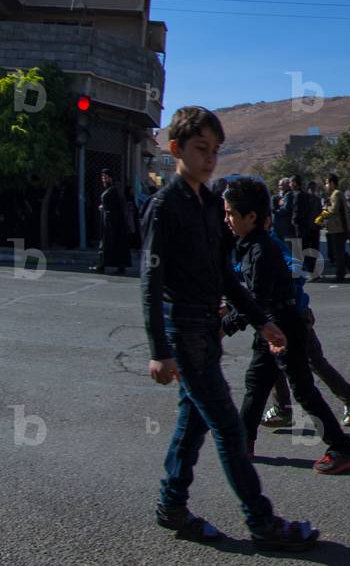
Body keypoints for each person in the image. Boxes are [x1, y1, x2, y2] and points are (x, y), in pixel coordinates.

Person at [140, 106, 318, 550]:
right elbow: (151, 280)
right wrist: (159, 350)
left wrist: (262, 321)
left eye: (216, 150)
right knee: (228, 427)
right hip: (183, 332)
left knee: (193, 422)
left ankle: (171, 505)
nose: (210, 159)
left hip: (205, 328)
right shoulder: (166, 206)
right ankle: (261, 522)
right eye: (201, 149)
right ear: (176, 149)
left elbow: (224, 275)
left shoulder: (206, 205)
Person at [219, 177, 350, 476]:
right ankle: (243, 443)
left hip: (284, 330)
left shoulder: (262, 249)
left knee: (303, 391)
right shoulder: (250, 246)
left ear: (251, 217)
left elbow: (255, 299)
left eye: (231, 213)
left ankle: (342, 449)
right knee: (256, 384)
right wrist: (229, 308)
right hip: (271, 329)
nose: (227, 219)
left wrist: (226, 326)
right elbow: (247, 292)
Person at [260, 220, 350, 428]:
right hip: (284, 314)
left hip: (293, 314)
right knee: (283, 360)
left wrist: (284, 289)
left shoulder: (269, 242)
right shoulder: (252, 242)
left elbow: (295, 268)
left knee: (307, 362)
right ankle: (284, 408)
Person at [320, 175, 350, 282]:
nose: (326, 185)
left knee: (338, 253)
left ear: (332, 183)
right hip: (338, 228)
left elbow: (333, 210)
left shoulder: (336, 194)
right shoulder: (334, 194)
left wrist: (324, 210)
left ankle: (340, 275)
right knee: (341, 252)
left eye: (327, 183)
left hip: (339, 228)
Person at [90, 169, 131, 274]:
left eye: (105, 177)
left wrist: (104, 208)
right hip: (109, 220)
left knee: (109, 243)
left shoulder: (114, 189)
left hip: (113, 221)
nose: (103, 179)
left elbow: (117, 206)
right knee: (109, 243)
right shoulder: (109, 189)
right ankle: (104, 266)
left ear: (110, 177)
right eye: (102, 177)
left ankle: (103, 266)